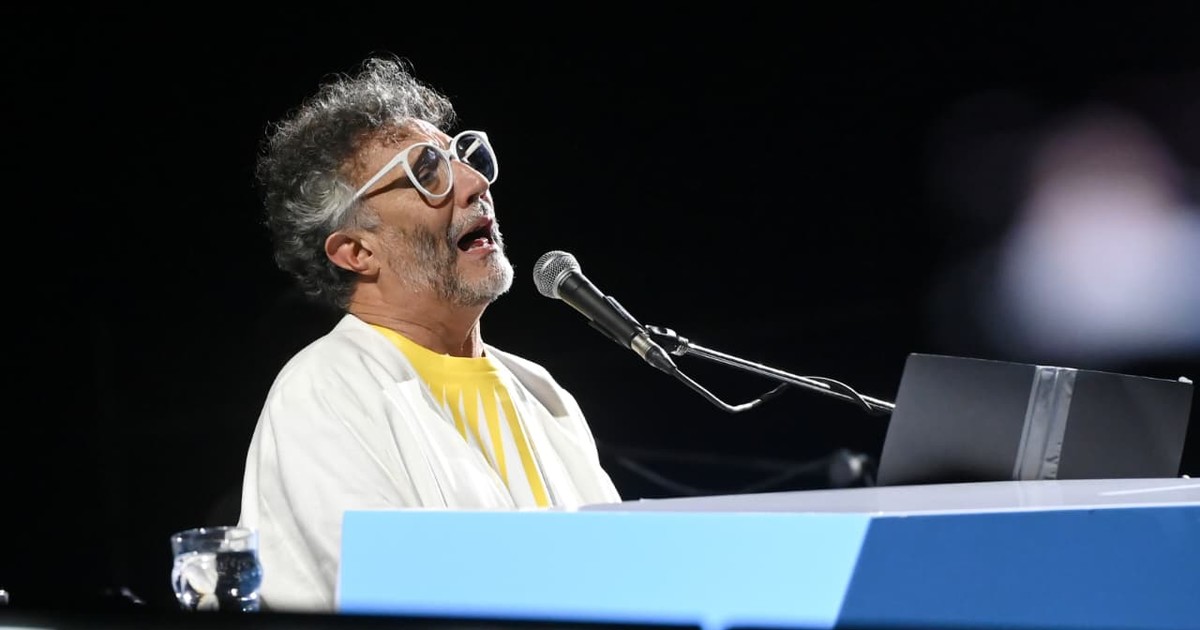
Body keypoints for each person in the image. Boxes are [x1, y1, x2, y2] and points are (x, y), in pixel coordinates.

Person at [237, 54, 622, 612]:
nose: (475, 182)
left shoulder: (542, 392)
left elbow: (619, 578)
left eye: (462, 157)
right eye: (427, 171)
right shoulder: (322, 391)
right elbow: (395, 599)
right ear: (357, 251)